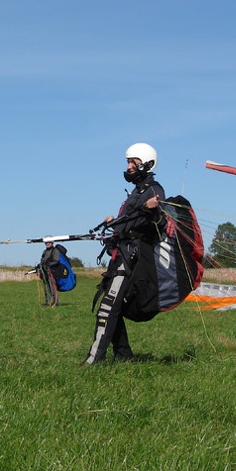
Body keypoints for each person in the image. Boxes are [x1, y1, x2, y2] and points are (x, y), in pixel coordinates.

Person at [83, 142, 165, 365]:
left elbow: (160, 222)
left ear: (146, 163)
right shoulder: (136, 192)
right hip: (121, 254)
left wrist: (154, 209)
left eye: (133, 162)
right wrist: (114, 223)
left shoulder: (154, 191)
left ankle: (94, 360)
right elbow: (131, 222)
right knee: (112, 307)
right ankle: (124, 356)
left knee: (108, 307)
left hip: (133, 258)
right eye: (127, 162)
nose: (128, 166)